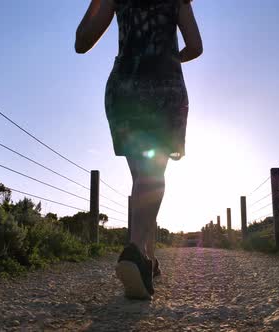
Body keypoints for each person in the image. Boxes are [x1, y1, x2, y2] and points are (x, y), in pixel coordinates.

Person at [75, 0, 202, 299]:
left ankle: (147, 257)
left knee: (142, 178)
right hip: (164, 86)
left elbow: (82, 43)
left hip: (125, 87)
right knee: (152, 176)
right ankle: (134, 250)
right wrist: (170, 57)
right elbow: (195, 45)